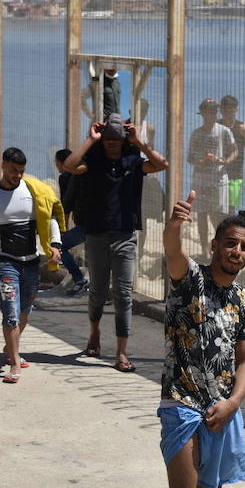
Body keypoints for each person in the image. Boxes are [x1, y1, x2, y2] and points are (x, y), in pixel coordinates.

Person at [156, 195, 245, 488]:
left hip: (220, 412)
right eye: (231, 243)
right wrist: (175, 224)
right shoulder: (190, 279)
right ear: (215, 245)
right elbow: (173, 252)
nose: (237, 251)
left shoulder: (242, 300)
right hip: (181, 403)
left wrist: (233, 403)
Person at [62, 114, 169, 372]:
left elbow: (161, 164)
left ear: (123, 139)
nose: (111, 143)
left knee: (123, 295)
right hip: (97, 235)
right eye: (108, 138)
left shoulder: (133, 162)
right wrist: (90, 139)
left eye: (116, 138)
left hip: (125, 236)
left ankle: (122, 353)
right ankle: (95, 334)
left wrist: (140, 143)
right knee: (98, 292)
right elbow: (69, 165)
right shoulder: (93, 161)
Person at [0, 147, 62, 382]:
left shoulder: (33, 190)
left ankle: (9, 348)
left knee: (24, 311)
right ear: (2, 166)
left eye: (21, 171)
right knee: (10, 313)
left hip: (31, 262)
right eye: (13, 171)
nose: (18, 176)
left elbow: (49, 216)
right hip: (5, 264)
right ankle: (14, 361)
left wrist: (55, 244)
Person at [186, 98, 238, 245]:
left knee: (219, 215)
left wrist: (226, 161)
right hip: (201, 178)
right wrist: (202, 161)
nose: (213, 114)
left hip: (219, 178)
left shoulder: (224, 131)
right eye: (209, 111)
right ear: (202, 113)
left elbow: (235, 151)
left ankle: (220, 246)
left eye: (214, 111)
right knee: (201, 214)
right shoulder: (196, 134)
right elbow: (190, 158)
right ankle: (204, 249)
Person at [53, 148, 89, 295]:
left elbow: (65, 206)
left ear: (62, 164)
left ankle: (79, 280)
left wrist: (62, 231)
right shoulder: (87, 174)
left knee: (61, 246)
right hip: (100, 222)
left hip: (85, 224)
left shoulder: (65, 177)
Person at [218, 95, 245, 212]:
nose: (229, 112)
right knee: (217, 208)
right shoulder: (216, 126)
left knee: (231, 208)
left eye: (231, 109)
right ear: (221, 110)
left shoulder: (241, 128)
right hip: (216, 174)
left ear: (236, 110)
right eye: (226, 109)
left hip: (235, 175)